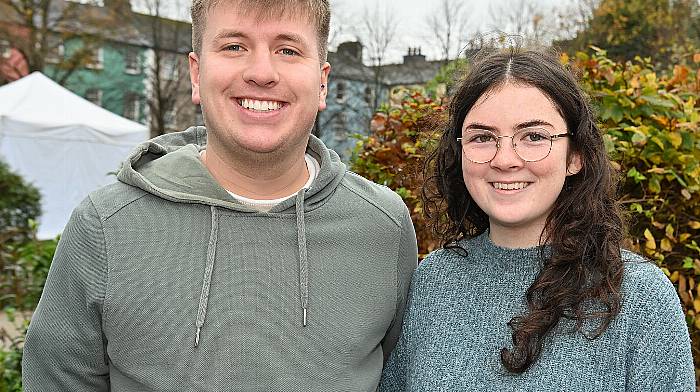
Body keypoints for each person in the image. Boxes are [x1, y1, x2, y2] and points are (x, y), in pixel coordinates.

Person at [22, 1, 418, 390]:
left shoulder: (384, 227)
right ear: (196, 74)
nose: (262, 72)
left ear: (322, 81)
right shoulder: (106, 226)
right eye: (234, 46)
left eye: (288, 50)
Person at [379, 48, 695, 391]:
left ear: (575, 155)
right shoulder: (433, 281)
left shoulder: (640, 297)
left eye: (533, 137)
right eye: (482, 137)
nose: (505, 159)